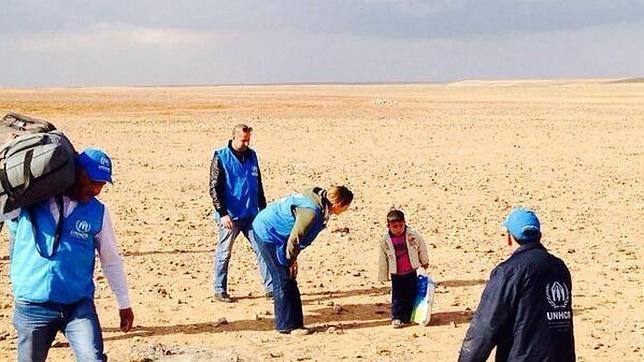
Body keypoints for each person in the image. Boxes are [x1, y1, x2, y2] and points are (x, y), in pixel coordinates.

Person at [6, 147, 134, 362]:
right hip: (33, 306)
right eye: (93, 181)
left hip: (77, 305)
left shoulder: (98, 212)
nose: (97, 190)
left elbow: (111, 260)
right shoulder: (31, 201)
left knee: (92, 358)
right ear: (75, 172)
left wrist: (124, 303)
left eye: (102, 185)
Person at [458, 208, 575, 362]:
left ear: (509, 237)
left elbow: (486, 326)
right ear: (539, 235)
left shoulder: (509, 271)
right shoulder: (559, 267)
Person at [251, 186, 353, 334]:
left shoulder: (318, 204)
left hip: (279, 236)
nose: (345, 211)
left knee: (290, 278)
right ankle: (285, 326)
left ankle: (296, 324)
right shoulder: (311, 212)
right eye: (346, 207)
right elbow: (295, 239)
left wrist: (293, 258)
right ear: (339, 205)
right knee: (283, 279)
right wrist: (291, 259)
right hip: (268, 234)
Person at [209, 123, 272, 302]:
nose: (246, 144)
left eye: (248, 141)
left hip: (251, 214)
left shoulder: (252, 155)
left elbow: (258, 183)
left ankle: (270, 289)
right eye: (243, 141)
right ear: (234, 137)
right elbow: (214, 187)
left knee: (262, 249)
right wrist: (222, 213)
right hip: (230, 216)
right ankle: (220, 289)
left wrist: (263, 210)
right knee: (224, 252)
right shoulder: (221, 156)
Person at [377, 209, 429, 328]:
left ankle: (409, 315)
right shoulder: (386, 240)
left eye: (401, 225)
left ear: (405, 223)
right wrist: (383, 275)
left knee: (411, 294)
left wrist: (424, 261)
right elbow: (382, 258)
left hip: (411, 270)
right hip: (397, 274)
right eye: (394, 226)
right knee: (398, 296)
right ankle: (397, 317)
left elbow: (422, 247)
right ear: (388, 226)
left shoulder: (412, 234)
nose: (398, 229)